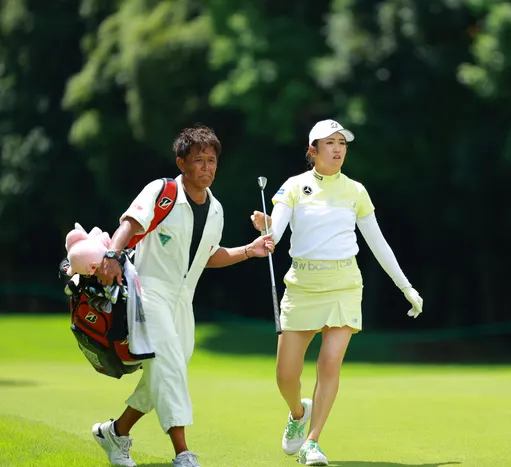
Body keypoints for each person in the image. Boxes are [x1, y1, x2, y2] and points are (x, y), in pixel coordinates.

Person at [93, 124, 274, 467]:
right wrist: (113, 254)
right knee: (170, 366)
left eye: (212, 160)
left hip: (183, 301)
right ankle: (182, 452)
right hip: (148, 292)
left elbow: (209, 256)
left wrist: (249, 250)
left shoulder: (216, 209)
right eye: (199, 160)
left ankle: (115, 432)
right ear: (182, 163)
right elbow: (130, 223)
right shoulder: (163, 191)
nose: (207, 167)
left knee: (162, 373)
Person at [250, 119, 423, 466]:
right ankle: (298, 413)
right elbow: (276, 233)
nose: (338, 148)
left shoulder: (356, 191)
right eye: (330, 142)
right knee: (286, 376)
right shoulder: (294, 187)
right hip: (302, 287)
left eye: (342, 142)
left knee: (330, 363)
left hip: (344, 285)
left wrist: (406, 286)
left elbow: (378, 243)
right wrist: (267, 227)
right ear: (312, 150)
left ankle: (312, 442)